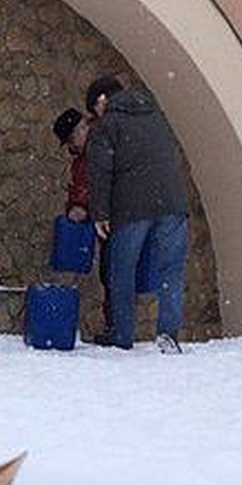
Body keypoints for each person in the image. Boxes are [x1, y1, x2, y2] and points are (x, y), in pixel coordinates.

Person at [84, 74, 189, 353]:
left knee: (122, 270)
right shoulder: (156, 115)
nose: (94, 115)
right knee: (172, 270)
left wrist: (100, 214)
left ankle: (122, 335)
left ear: (102, 100)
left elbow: (99, 172)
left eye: (93, 108)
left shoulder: (107, 125)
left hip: (132, 206)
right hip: (173, 201)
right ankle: (168, 334)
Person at [52, 106, 115, 343]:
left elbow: (95, 183)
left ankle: (116, 328)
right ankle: (114, 326)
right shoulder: (85, 154)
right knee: (109, 272)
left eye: (71, 139)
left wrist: (80, 205)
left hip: (114, 219)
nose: (71, 146)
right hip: (106, 220)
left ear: (81, 129)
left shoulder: (97, 148)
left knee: (113, 272)